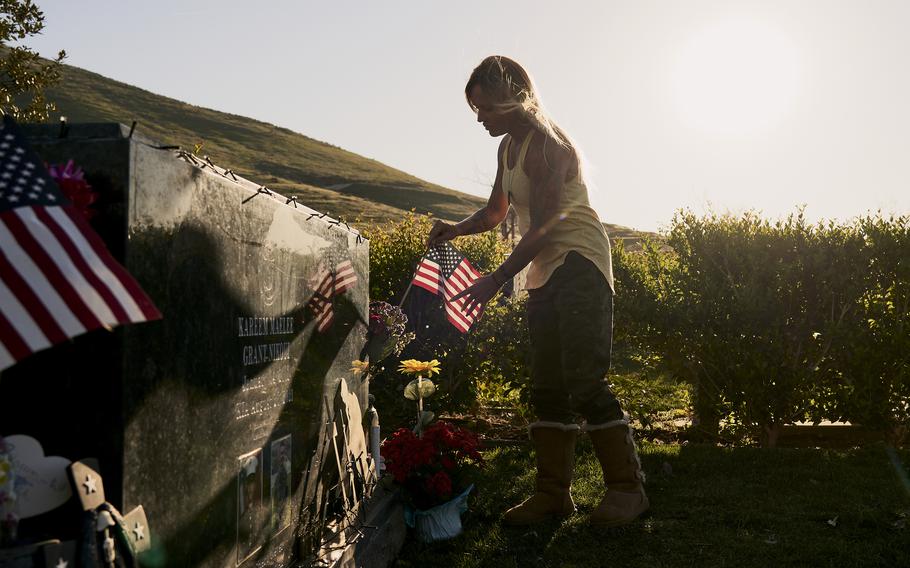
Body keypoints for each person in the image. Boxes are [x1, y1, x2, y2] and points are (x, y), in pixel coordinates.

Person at [428, 55, 648, 527]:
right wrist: (454, 229)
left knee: (583, 378)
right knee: (547, 384)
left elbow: (547, 226)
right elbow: (493, 214)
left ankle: (628, 490)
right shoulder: (507, 148)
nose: (480, 118)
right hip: (544, 273)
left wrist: (495, 279)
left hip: (580, 262)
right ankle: (553, 495)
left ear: (511, 97)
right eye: (475, 110)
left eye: (484, 107)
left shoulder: (548, 145)